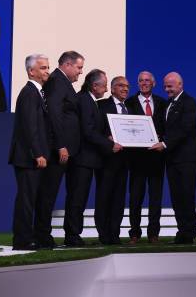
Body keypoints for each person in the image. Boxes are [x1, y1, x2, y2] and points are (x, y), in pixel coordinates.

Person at [35, 50, 83, 249]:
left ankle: (48, 235)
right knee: (48, 194)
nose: (80, 72)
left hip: (67, 149)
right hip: (58, 150)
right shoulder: (57, 81)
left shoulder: (62, 82)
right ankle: (42, 236)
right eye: (79, 68)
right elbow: (53, 113)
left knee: (51, 193)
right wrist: (61, 144)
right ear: (67, 65)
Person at [64, 69, 117, 247]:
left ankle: (73, 234)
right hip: (82, 159)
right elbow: (88, 131)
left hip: (87, 159)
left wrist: (106, 137)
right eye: (104, 85)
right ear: (94, 86)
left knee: (79, 198)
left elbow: (92, 129)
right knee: (77, 198)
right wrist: (109, 144)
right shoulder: (85, 100)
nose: (107, 90)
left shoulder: (89, 100)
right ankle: (72, 236)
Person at [150, 72, 196, 244]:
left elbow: (185, 129)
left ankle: (189, 233)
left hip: (187, 159)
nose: (167, 89)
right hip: (171, 159)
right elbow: (166, 130)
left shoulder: (189, 103)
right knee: (176, 197)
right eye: (165, 86)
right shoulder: (168, 105)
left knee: (186, 196)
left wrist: (164, 144)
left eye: (170, 86)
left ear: (180, 84)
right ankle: (182, 231)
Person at [7, 54, 51, 251]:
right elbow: (29, 126)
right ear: (31, 71)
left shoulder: (37, 93)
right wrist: (37, 153)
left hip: (32, 156)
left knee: (31, 199)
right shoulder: (29, 93)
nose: (47, 71)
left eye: (47, 67)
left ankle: (29, 237)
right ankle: (23, 240)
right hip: (28, 158)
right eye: (43, 68)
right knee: (26, 200)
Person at [124, 71, 167, 244]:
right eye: (141, 80)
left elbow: (167, 127)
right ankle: (134, 233)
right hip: (136, 159)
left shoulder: (163, 104)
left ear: (154, 83)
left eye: (147, 80)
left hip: (157, 158)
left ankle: (153, 234)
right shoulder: (129, 103)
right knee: (135, 198)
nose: (144, 83)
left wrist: (161, 139)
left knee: (155, 198)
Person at [96, 76, 130, 245]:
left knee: (119, 200)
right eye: (121, 86)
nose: (125, 89)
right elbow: (94, 130)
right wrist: (107, 140)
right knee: (104, 198)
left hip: (124, 161)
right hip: (106, 160)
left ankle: (115, 234)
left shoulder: (130, 108)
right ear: (112, 88)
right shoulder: (101, 105)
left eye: (127, 86)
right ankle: (104, 235)